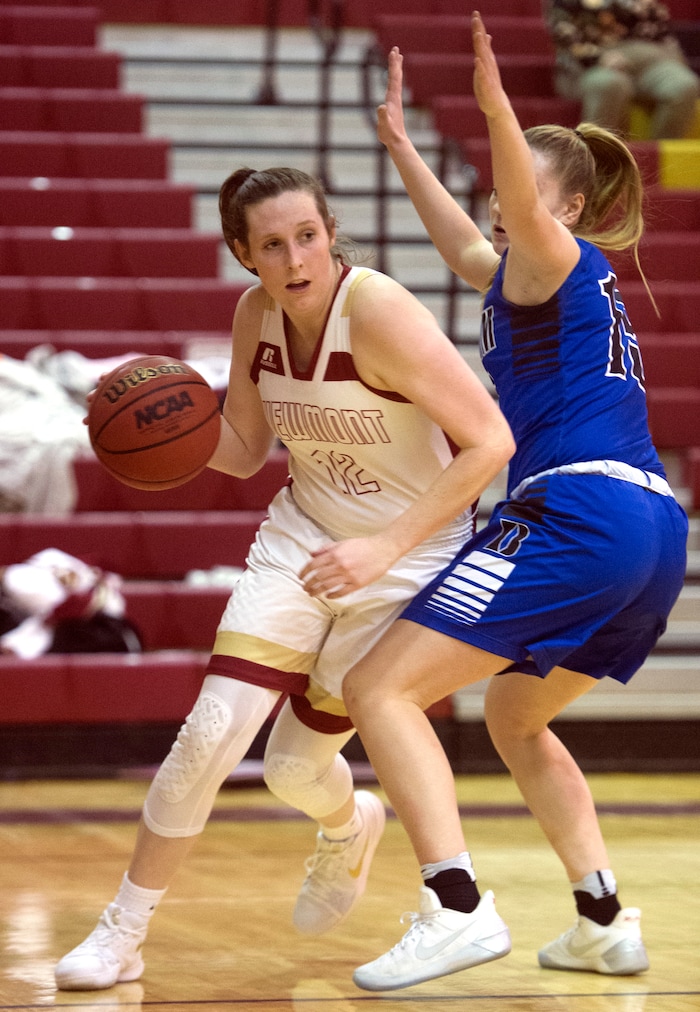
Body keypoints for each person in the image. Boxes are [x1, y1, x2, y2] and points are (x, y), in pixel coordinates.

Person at [53, 165, 514, 990]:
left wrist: (382, 549)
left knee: (294, 768)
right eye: (273, 244)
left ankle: (350, 824)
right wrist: (159, 434)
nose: (297, 257)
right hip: (304, 534)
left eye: (308, 235)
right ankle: (122, 932)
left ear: (330, 230)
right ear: (244, 254)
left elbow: (490, 443)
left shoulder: (377, 312)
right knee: (210, 732)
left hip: (407, 553)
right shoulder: (254, 313)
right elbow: (242, 450)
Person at [339, 12, 689, 992]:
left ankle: (455, 906)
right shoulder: (526, 278)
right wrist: (404, 148)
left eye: (517, 190)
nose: (498, 203)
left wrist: (494, 102)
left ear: (566, 209)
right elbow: (462, 250)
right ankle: (602, 916)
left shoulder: (558, 257)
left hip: (579, 514)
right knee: (515, 714)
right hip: (649, 528)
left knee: (379, 688)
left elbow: (508, 220)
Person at [544, 0, 699, 140]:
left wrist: (673, 60)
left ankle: (655, 157)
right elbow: (565, 38)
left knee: (685, 85)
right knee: (610, 84)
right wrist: (598, 57)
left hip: (650, 60)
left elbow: (664, 34)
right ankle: (598, 159)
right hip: (592, 64)